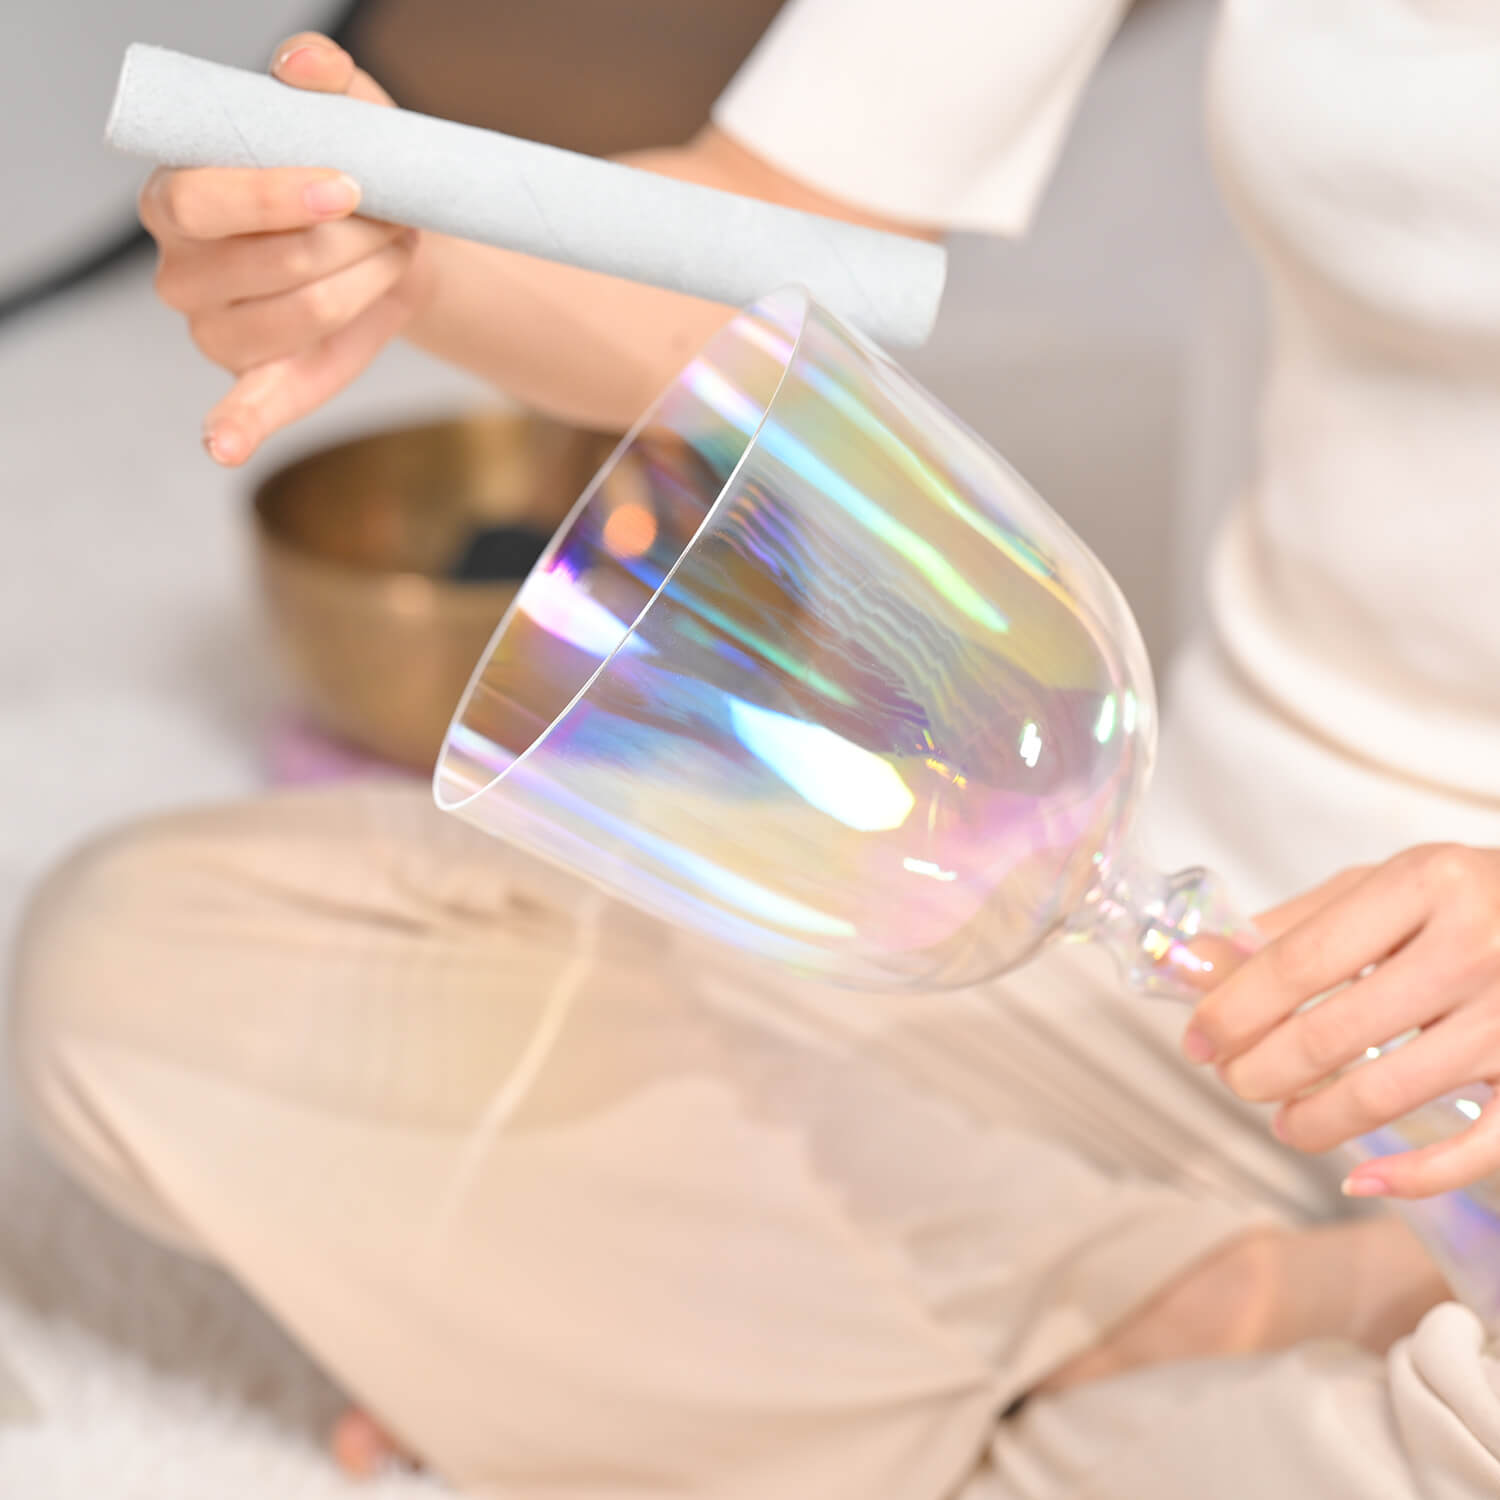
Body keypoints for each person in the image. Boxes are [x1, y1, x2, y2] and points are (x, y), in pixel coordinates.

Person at [12, 3, 1500, 1493]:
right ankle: (1221, 1325)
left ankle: (847, 1394)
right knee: (157, 961)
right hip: (1174, 944)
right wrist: (405, 239)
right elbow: (770, 237)